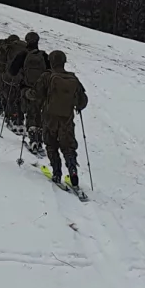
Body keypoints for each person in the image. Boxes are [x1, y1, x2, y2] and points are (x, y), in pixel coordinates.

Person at [31, 49, 89, 186]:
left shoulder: (47, 76)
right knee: (68, 146)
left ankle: (57, 173)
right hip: (67, 119)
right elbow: (83, 100)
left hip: (49, 117)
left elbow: (37, 94)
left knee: (51, 144)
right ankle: (72, 169)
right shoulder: (73, 78)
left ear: (51, 62)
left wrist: (28, 94)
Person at [8, 32, 50, 152]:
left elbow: (12, 71)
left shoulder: (23, 54)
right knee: (39, 113)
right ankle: (39, 139)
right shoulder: (44, 56)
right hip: (42, 91)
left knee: (30, 112)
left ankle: (32, 138)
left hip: (26, 89)